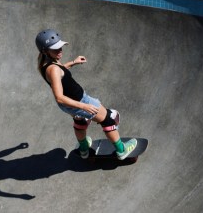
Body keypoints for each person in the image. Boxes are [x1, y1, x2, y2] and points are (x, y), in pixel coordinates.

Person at [35, 29, 137, 160]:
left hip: (70, 104)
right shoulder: (53, 69)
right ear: (45, 51)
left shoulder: (47, 63)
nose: (60, 50)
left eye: (60, 47)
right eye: (55, 49)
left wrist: (73, 62)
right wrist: (84, 106)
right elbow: (59, 98)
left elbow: (61, 74)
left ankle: (84, 150)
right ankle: (122, 151)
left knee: (80, 121)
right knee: (108, 119)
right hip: (78, 102)